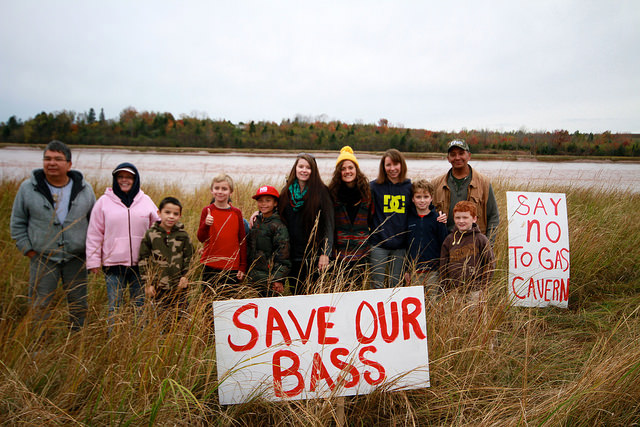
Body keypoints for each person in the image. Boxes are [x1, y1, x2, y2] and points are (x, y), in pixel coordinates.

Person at [10, 140, 95, 330]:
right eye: (47, 159)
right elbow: (17, 223)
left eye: (58, 159)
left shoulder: (84, 189)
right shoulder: (27, 189)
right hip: (42, 258)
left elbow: (95, 225)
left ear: (69, 164)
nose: (52, 163)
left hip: (76, 258)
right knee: (40, 305)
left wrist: (91, 253)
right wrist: (29, 251)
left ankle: (75, 344)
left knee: (78, 304)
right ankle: (37, 346)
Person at [85, 162, 159, 323]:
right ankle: (114, 343)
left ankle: (137, 343)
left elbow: (158, 228)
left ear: (135, 179)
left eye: (128, 177)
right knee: (115, 307)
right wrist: (93, 261)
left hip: (141, 265)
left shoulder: (145, 200)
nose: (124, 180)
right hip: (113, 266)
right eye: (120, 177)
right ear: (115, 179)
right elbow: (94, 233)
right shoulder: (103, 202)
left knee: (139, 306)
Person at [279, 153, 334, 294]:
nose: (304, 170)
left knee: (313, 296)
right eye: (301, 166)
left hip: (314, 256)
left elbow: (328, 224)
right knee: (296, 293)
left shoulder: (322, 191)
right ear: (295, 168)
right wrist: (258, 214)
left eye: (308, 167)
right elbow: (277, 215)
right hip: (292, 256)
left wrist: (325, 253)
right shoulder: (286, 192)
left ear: (313, 171)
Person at [432, 139, 499, 243]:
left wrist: (488, 246)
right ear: (448, 158)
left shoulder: (484, 183)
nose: (457, 158)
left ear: (469, 156)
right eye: (453, 154)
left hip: (475, 245)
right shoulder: (436, 184)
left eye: (461, 153)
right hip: (445, 244)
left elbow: (493, 217)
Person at [139, 197, 193, 315]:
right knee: (159, 318)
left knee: (180, 317)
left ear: (180, 215)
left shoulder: (183, 235)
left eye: (175, 213)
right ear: (159, 213)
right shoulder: (151, 234)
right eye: (167, 212)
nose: (171, 216)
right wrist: (148, 283)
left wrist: (186, 276)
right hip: (158, 288)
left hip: (179, 287)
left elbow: (189, 257)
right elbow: (144, 260)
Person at [328, 146, 372, 287]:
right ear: (339, 172)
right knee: (339, 292)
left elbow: (372, 219)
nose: (347, 171)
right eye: (343, 168)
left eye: (350, 167)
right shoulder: (332, 193)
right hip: (339, 255)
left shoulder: (367, 193)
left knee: (358, 291)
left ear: (356, 170)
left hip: (361, 253)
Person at [369, 148, 412, 289]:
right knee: (377, 285)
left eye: (396, 164)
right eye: (388, 165)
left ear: (402, 165)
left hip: (400, 246)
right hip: (379, 244)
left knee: (396, 285)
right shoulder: (374, 187)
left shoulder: (409, 187)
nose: (392, 168)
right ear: (383, 167)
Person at [197, 174, 247, 294]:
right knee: (208, 302)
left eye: (224, 189)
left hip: (231, 267)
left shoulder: (236, 213)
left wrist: (242, 266)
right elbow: (200, 238)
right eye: (217, 188)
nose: (220, 192)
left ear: (231, 192)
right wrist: (206, 224)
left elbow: (242, 240)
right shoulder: (207, 210)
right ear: (212, 191)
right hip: (210, 264)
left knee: (228, 301)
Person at [440, 201, 495, 296]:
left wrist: (483, 286)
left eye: (465, 217)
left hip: (475, 290)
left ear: (474, 219)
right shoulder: (449, 240)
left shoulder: (481, 239)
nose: (461, 221)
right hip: (454, 290)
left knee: (474, 310)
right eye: (457, 218)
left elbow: (490, 263)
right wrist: (445, 287)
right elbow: (443, 265)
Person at [404, 179, 449, 296]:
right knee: (416, 302)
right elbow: (406, 246)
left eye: (426, 196)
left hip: (434, 271)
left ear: (431, 198)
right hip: (415, 271)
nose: (422, 200)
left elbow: (444, 244)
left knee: (434, 302)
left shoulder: (437, 219)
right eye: (418, 197)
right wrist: (406, 270)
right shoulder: (408, 219)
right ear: (413, 199)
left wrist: (443, 269)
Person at [246, 185, 290, 297]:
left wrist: (278, 279)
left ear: (275, 203)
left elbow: (283, 255)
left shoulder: (278, 225)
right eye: (260, 201)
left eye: (268, 200)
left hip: (270, 279)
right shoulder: (257, 221)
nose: (263, 204)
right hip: (254, 276)